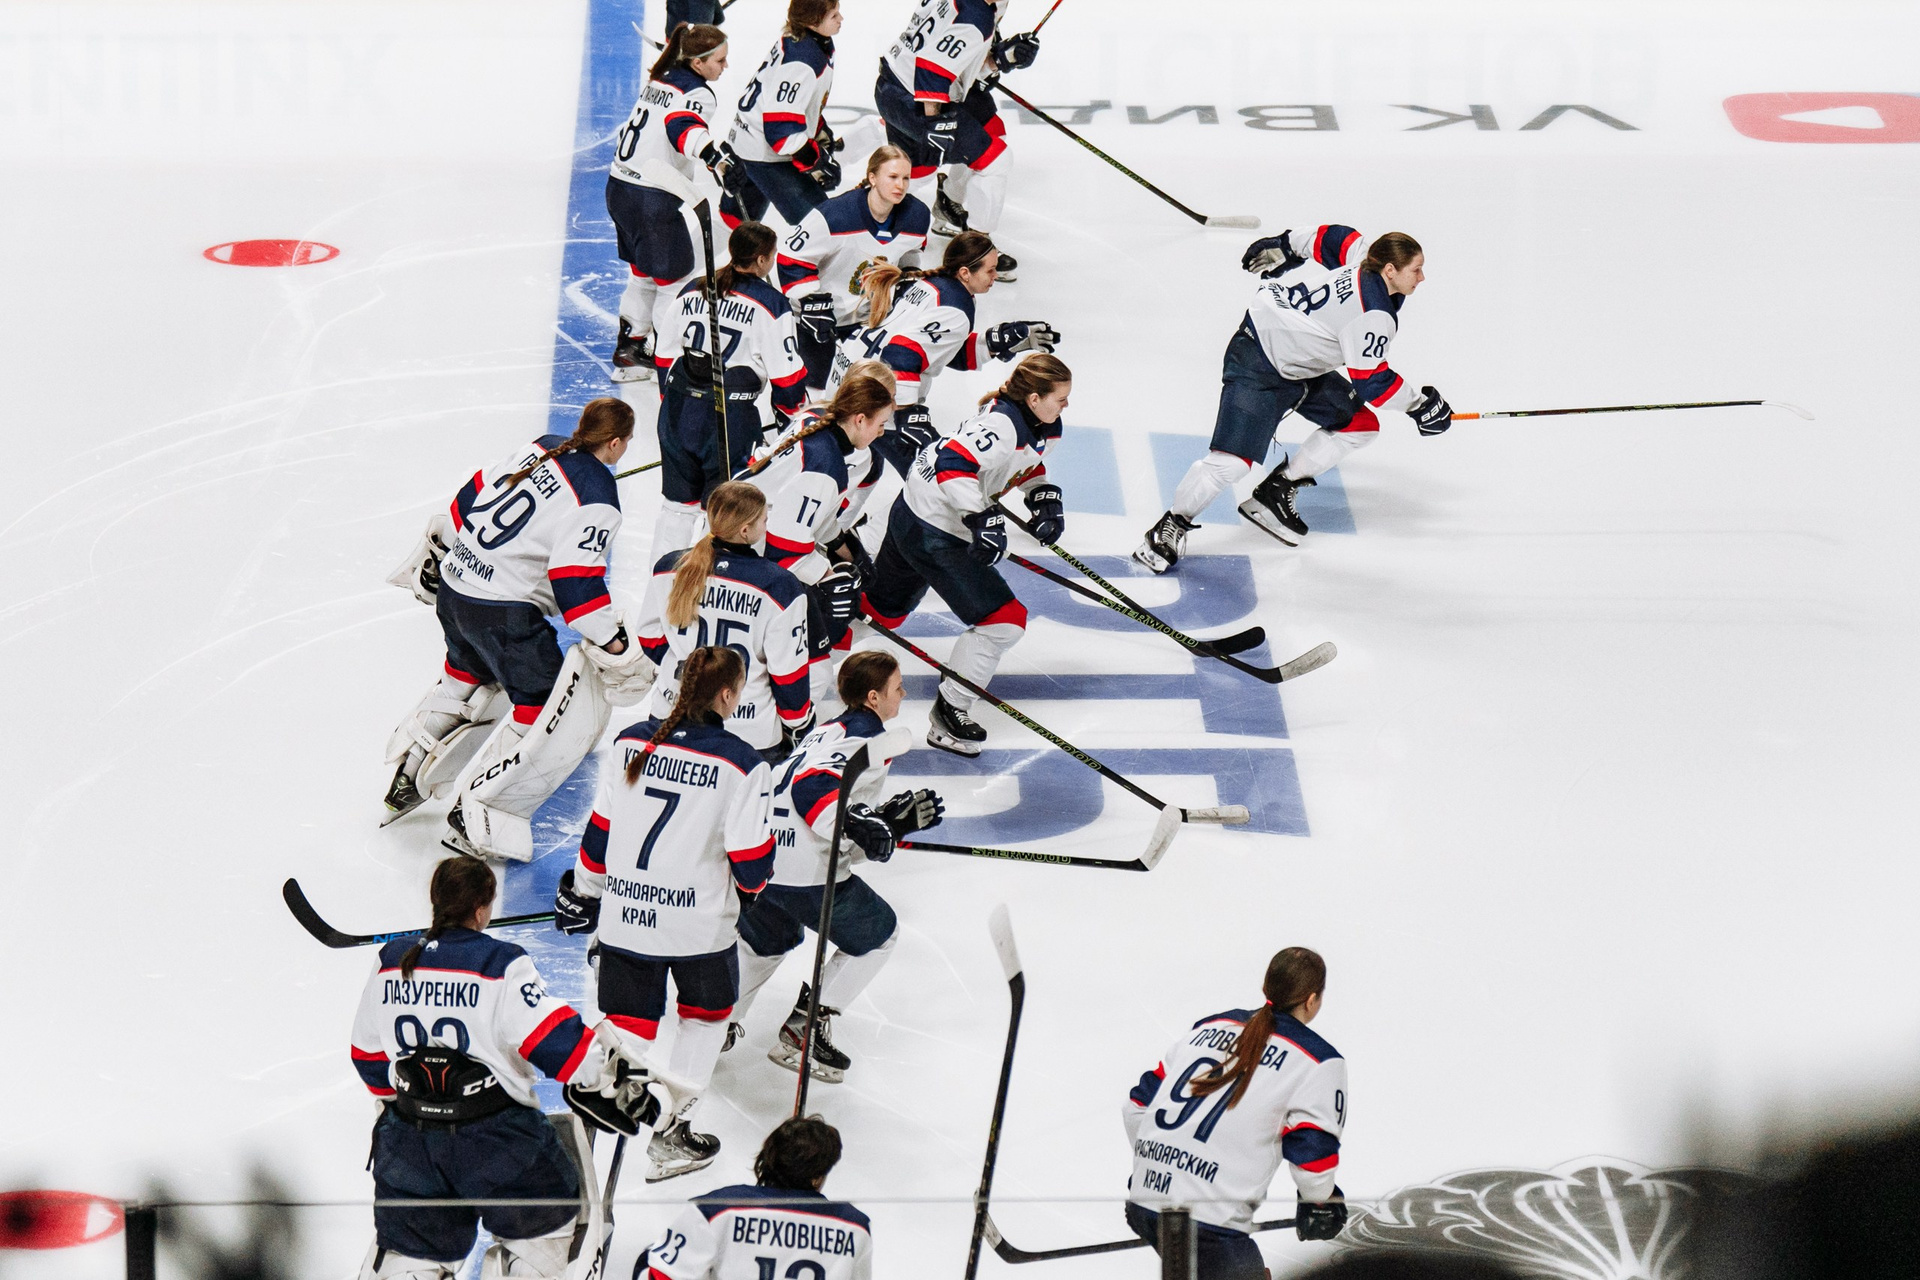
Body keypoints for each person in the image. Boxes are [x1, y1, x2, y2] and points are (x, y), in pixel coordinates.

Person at [350, 858, 665, 1280]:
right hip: (498, 1145)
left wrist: (413, 1112)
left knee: (411, 1256)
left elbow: (367, 1057)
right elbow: (564, 1049)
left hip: (411, 1146)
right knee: (545, 1235)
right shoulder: (500, 963)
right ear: (482, 908)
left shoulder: (392, 960)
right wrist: (611, 1082)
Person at [382, 400, 655, 862]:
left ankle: (407, 775)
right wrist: (614, 642)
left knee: (463, 679)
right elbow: (575, 582)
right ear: (615, 443)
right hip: (502, 614)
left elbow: (467, 498)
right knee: (546, 706)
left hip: (456, 587)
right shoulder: (598, 495)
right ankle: (478, 812)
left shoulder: (543, 447)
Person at [552, 646, 774, 1182]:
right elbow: (751, 865)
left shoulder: (631, 741)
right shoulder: (745, 763)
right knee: (705, 1018)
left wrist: (586, 892)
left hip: (626, 916)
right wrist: (750, 890)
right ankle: (671, 1134)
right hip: (699, 928)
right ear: (728, 695)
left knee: (627, 1030)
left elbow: (600, 831)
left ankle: (583, 1142)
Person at [1135, 226, 1449, 570]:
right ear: (1390, 270)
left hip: (1297, 361)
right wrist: (1419, 406)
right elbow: (1372, 381)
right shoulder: (1372, 315)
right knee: (1232, 463)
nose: (1422, 277)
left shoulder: (1365, 256)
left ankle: (1276, 491)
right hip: (1258, 359)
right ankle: (1169, 525)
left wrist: (1287, 245)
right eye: (1416, 270)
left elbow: (1333, 238)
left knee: (1359, 425)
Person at [731, 650, 942, 1081]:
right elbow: (813, 789)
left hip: (765, 857)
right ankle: (804, 1031)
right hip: (805, 870)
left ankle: (717, 1025)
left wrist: (884, 824)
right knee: (879, 934)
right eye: (897, 687)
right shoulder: (868, 737)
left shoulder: (827, 728)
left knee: (764, 942)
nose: (903, 694)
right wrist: (858, 823)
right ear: (873, 697)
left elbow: (833, 804)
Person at [860, 354, 1070, 755]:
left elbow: (1019, 464)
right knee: (1004, 621)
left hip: (913, 512)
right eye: (1060, 398)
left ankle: (808, 659)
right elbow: (953, 463)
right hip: (935, 529)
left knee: (881, 611)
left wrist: (1040, 492)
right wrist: (982, 517)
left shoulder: (1037, 423)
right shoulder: (1003, 424)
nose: (1066, 405)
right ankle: (949, 712)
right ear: (1034, 399)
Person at [1123, 947, 1350, 1280]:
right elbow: (1313, 1165)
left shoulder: (1208, 1027)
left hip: (1144, 1203)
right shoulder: (1319, 1061)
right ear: (1312, 1000)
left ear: (1266, 988)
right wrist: (1322, 1203)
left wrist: (1162, 1169)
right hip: (1211, 1228)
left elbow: (1137, 1107)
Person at [735, 364, 900, 713]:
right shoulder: (827, 468)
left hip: (733, 527)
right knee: (816, 671)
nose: (882, 432)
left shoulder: (818, 416)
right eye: (881, 423)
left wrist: (845, 551)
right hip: (745, 551)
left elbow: (811, 519)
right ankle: (776, 727)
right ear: (860, 419)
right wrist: (829, 577)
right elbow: (784, 551)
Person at [651, 221, 811, 561]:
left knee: (676, 509)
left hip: (677, 412)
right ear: (763, 259)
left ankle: (662, 589)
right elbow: (788, 380)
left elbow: (664, 357)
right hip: (728, 420)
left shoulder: (694, 288)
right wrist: (793, 421)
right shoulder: (772, 305)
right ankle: (711, 587)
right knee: (725, 514)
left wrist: (680, 410)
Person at [826, 229, 1056, 458]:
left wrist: (994, 343)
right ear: (965, 273)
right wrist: (908, 412)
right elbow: (900, 353)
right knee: (933, 469)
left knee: (865, 465)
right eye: (990, 270)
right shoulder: (956, 308)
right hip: (872, 392)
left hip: (849, 370)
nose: (996, 275)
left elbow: (938, 350)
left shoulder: (932, 283)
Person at [636, 482, 815, 759]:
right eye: (764, 520)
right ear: (745, 530)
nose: (767, 526)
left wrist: (688, 668)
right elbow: (788, 670)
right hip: (748, 730)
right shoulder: (779, 585)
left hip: (672, 713)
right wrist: (799, 723)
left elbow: (649, 636)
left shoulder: (669, 568)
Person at [607, 23, 735, 383]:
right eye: (719, 60)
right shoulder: (699, 93)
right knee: (674, 282)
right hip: (651, 198)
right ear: (697, 63)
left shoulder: (661, 78)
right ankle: (670, 365)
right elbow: (682, 125)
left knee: (643, 273)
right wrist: (713, 157)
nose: (725, 66)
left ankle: (631, 351)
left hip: (619, 188)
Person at [874, 0, 1037, 274]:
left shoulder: (985, 9)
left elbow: (950, 54)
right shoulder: (976, 15)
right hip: (914, 96)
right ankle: (974, 253)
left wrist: (1000, 59)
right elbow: (931, 69)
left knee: (990, 131)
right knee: (989, 161)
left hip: (900, 83)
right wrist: (934, 122)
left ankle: (949, 201)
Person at [639, 1117, 872, 1280]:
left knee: (648, 1258)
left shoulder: (716, 1209)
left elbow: (662, 1275)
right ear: (818, 1175)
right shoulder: (855, 1227)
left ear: (768, 1157)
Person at [776, 145, 931, 389]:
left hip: (865, 318)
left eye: (905, 178)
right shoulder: (835, 215)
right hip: (817, 319)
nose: (900, 185)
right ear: (872, 178)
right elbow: (790, 257)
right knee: (815, 393)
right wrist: (809, 299)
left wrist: (908, 275)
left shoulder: (917, 216)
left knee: (861, 390)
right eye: (892, 177)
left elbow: (911, 250)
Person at [722, 0, 843, 229]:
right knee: (819, 224)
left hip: (747, 137)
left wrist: (816, 127)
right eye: (833, 16)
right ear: (812, 22)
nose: (841, 19)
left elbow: (794, 102)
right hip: (763, 151)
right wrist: (816, 161)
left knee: (737, 219)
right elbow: (781, 132)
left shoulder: (805, 39)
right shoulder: (803, 60)